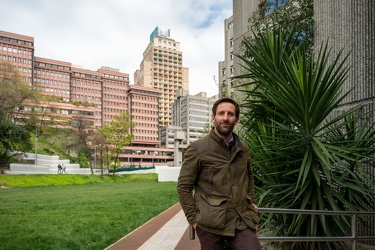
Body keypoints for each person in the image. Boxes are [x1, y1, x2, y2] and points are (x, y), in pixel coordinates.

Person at [177, 97, 261, 250]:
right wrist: (193, 220)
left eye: (230, 114)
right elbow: (184, 186)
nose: (225, 118)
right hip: (210, 224)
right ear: (213, 118)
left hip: (241, 219)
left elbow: (248, 176)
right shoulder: (198, 148)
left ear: (236, 119)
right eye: (221, 113)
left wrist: (252, 202)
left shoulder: (243, 148)